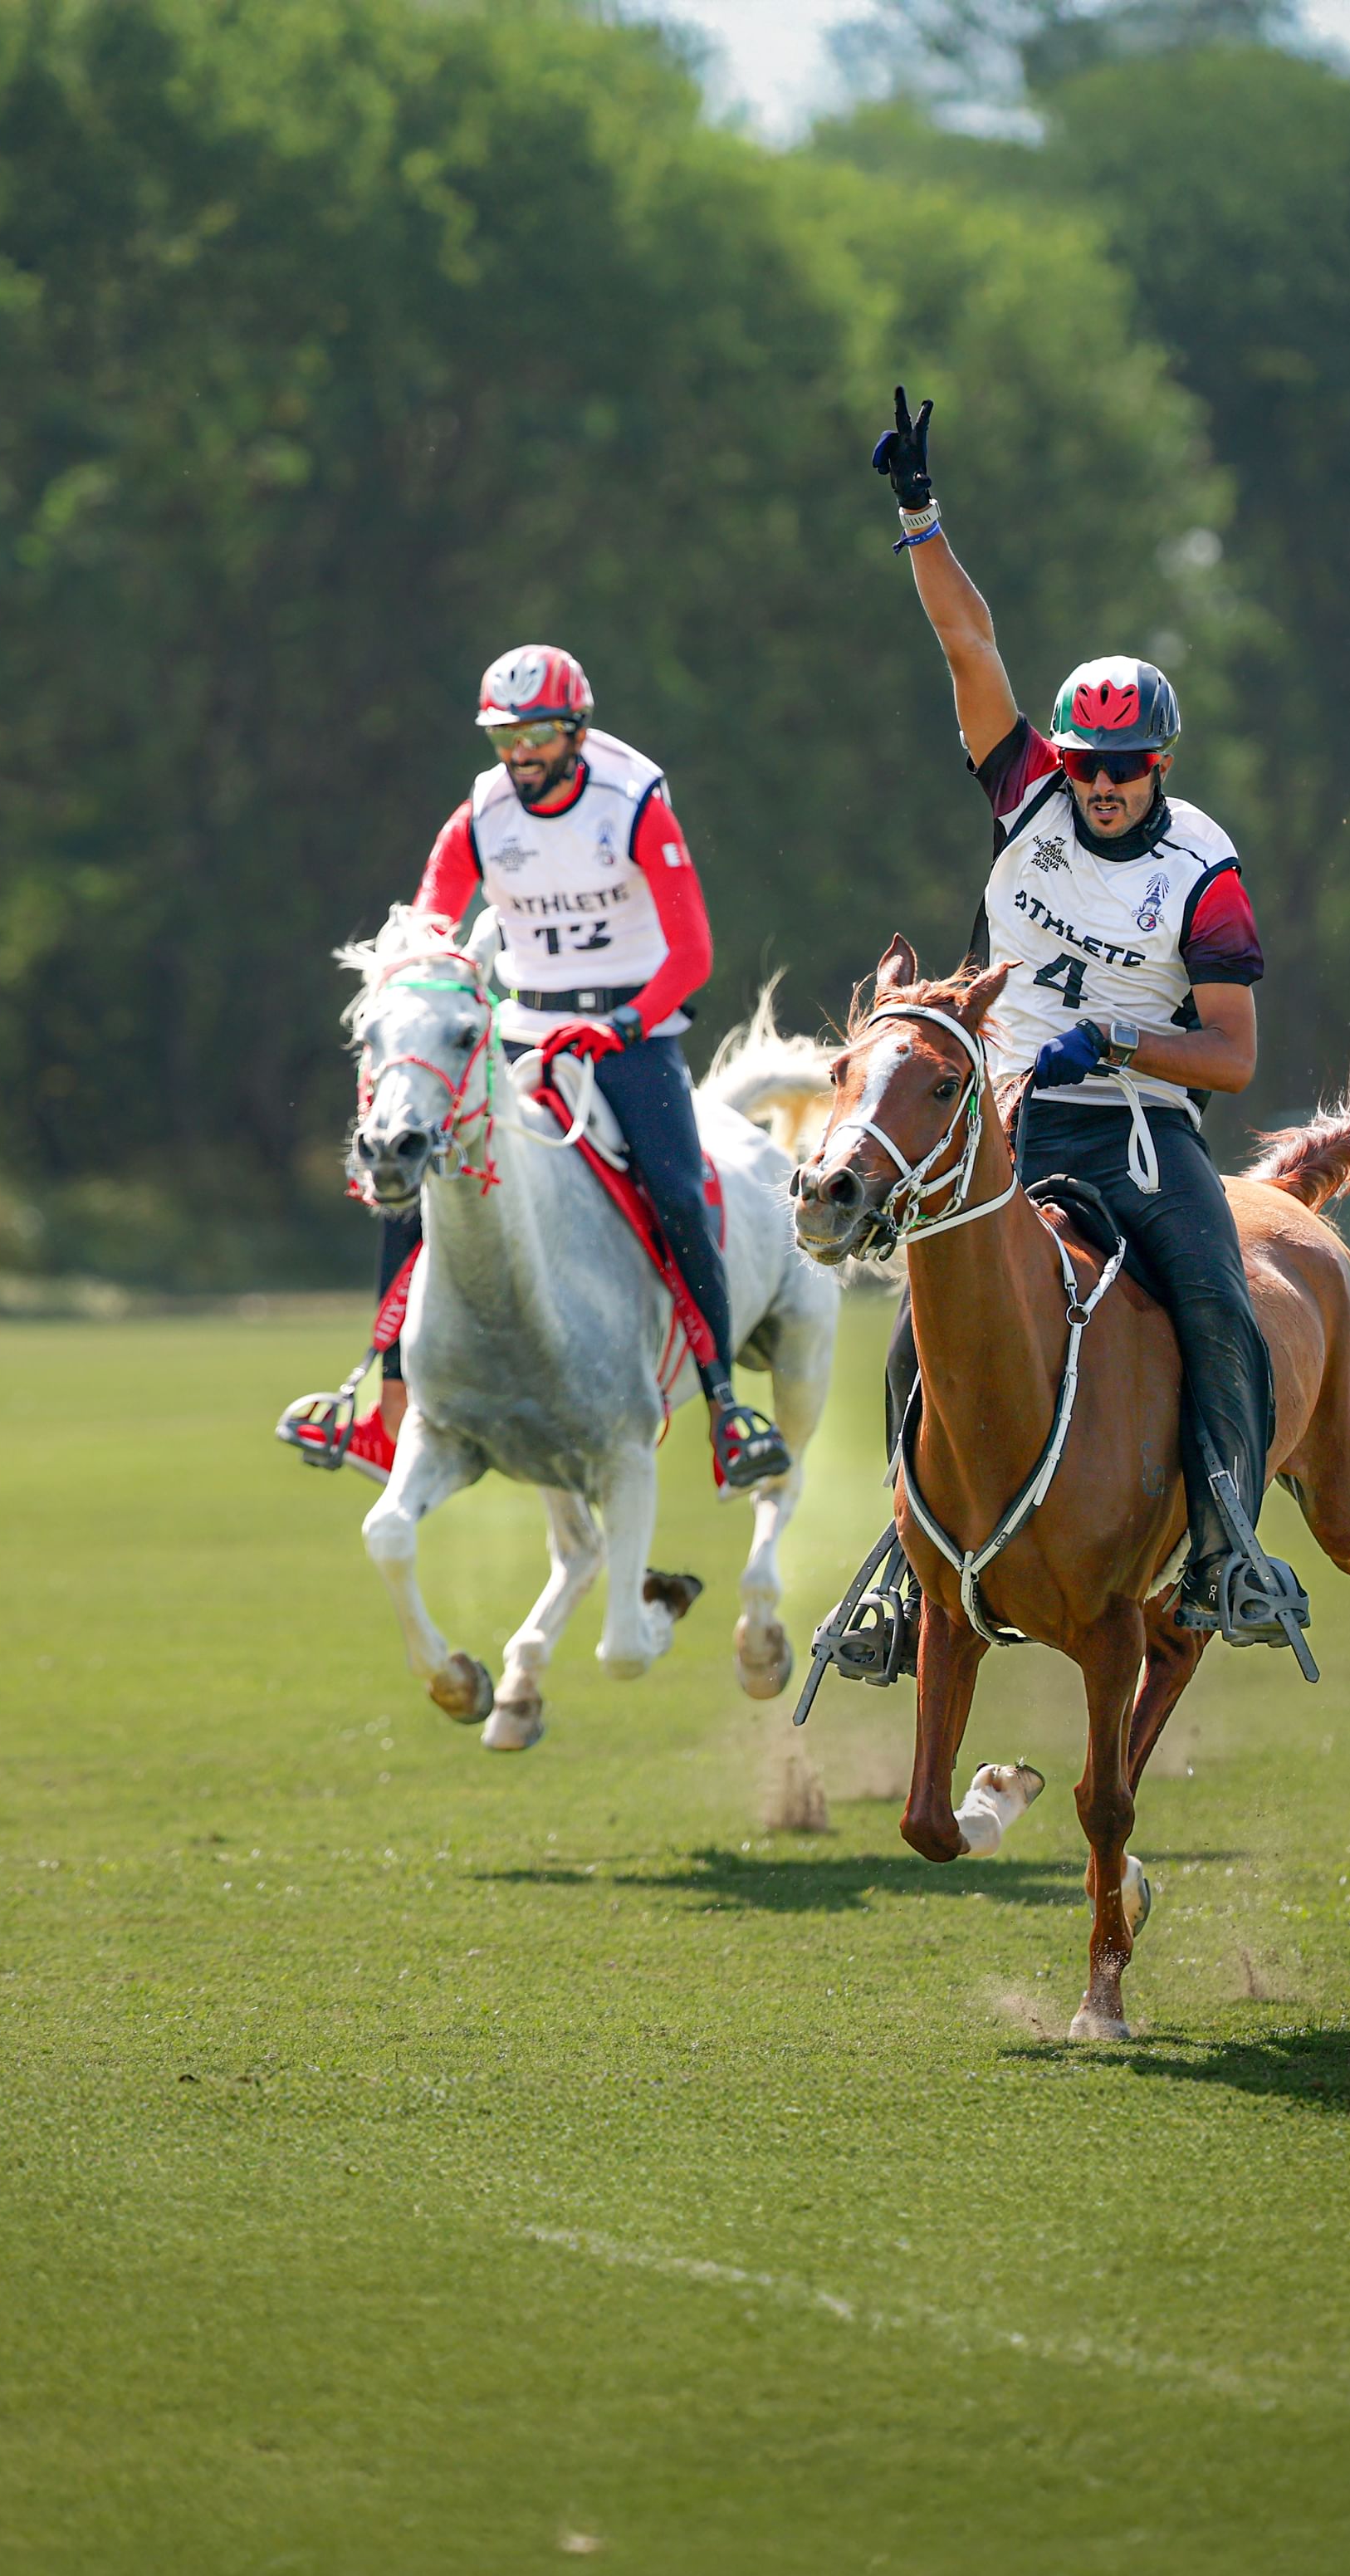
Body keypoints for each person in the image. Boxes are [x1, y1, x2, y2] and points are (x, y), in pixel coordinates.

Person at [871, 389, 1281, 1643]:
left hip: (1145, 1137)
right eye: (1085, 765)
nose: (1100, 788)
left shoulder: (1201, 870)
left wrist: (1110, 1039)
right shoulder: (1027, 798)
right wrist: (918, 515)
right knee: (916, 1330)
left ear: (1159, 761)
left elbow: (1231, 1057)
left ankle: (1227, 1547)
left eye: (1124, 768)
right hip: (1006, 1127)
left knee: (1218, 1307)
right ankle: (905, 1569)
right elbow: (968, 650)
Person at [294, 643, 790, 1495]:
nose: (520, 753)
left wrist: (624, 1024)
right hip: (522, 1034)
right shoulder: (481, 815)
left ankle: (725, 1408)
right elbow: (431, 924)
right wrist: (425, 975)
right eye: (503, 737)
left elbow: (693, 952)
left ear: (576, 730)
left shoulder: (632, 801)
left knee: (676, 1185)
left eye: (537, 734)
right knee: (412, 1169)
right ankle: (386, 1412)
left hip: (632, 1034)